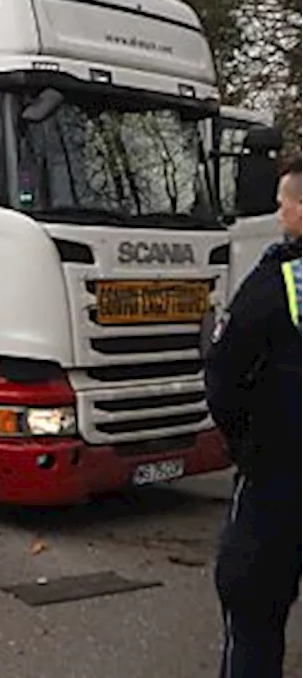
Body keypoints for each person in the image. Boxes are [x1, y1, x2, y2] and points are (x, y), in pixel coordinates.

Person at [204, 158, 303, 677]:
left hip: (277, 482)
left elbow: (223, 377)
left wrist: (246, 448)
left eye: (284, 203)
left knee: (253, 614)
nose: (278, 212)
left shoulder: (276, 283)